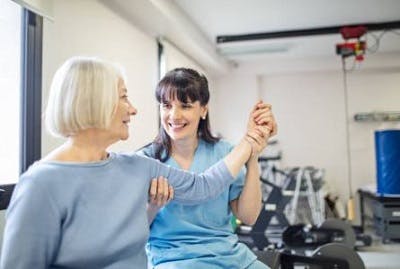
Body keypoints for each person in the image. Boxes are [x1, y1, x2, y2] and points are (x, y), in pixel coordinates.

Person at [0, 57, 270, 269]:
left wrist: (251, 142)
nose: (134, 109)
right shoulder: (40, 185)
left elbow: (204, 186)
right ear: (95, 102)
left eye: (185, 106)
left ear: (203, 109)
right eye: (123, 96)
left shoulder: (135, 166)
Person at [140, 68, 277, 269]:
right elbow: (132, 232)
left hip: (228, 256)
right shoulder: (146, 159)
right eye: (166, 105)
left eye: (185, 106)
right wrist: (153, 206)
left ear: (203, 109)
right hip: (172, 260)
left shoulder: (225, 153)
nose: (174, 115)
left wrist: (253, 155)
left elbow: (248, 216)